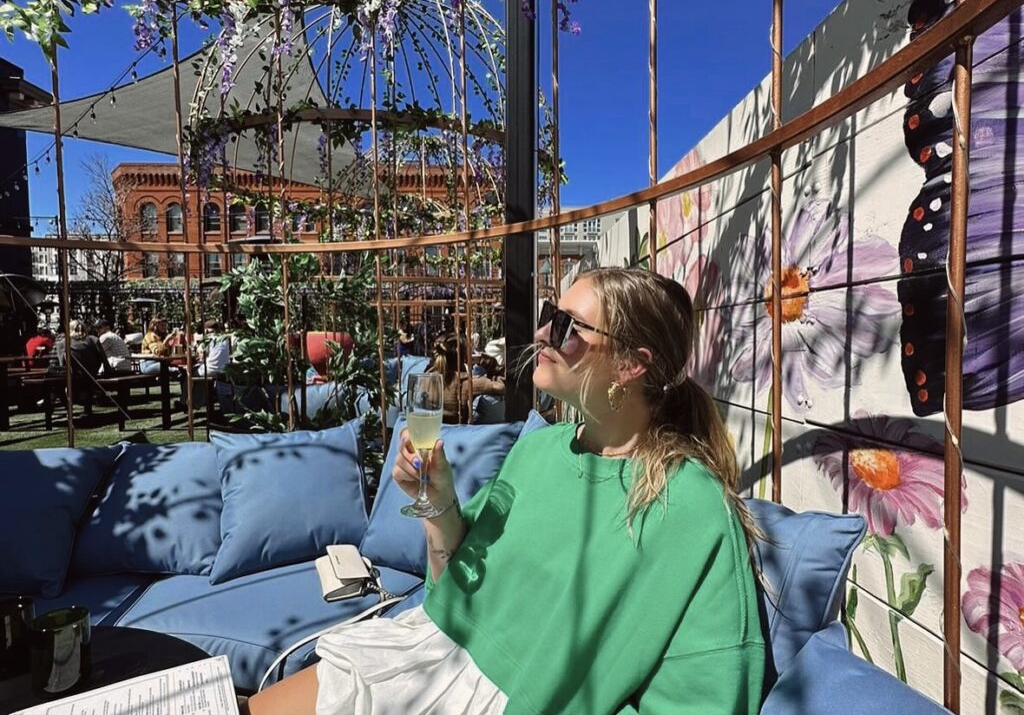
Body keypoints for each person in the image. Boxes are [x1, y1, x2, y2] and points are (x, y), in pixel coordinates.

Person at [245, 267, 767, 715]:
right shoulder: (540, 450)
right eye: (548, 312)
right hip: (428, 655)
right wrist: (441, 502)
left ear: (630, 365)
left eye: (566, 326)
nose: (541, 331)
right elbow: (453, 593)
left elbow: (705, 693)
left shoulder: (692, 509)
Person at [427, 331, 505, 424]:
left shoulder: (425, 380)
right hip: (459, 434)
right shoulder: (466, 384)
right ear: (463, 357)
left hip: (432, 432)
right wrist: (490, 363)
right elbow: (502, 386)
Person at [49, 319, 112, 383]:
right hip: (91, 380)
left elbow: (59, 365)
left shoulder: (63, 343)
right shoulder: (94, 340)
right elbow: (106, 364)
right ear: (85, 329)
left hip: (71, 383)